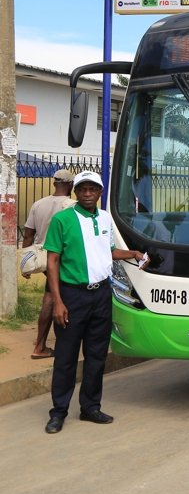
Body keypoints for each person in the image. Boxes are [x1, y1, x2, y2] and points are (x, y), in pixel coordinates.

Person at [42, 171, 147, 434]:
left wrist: (132, 253)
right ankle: (58, 412)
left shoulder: (105, 218)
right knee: (66, 357)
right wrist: (57, 301)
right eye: (83, 189)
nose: (88, 194)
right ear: (75, 192)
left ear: (100, 192)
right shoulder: (62, 220)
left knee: (96, 355)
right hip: (72, 296)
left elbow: (108, 251)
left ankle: (90, 407)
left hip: (101, 296)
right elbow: (52, 261)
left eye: (93, 189)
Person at [21, 168, 75, 360]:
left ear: (54, 183)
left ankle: (44, 345)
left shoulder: (38, 204)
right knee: (54, 299)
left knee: (51, 297)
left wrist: (24, 265)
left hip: (42, 259)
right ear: (71, 185)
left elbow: (28, 235)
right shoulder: (72, 206)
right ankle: (41, 346)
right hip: (62, 260)